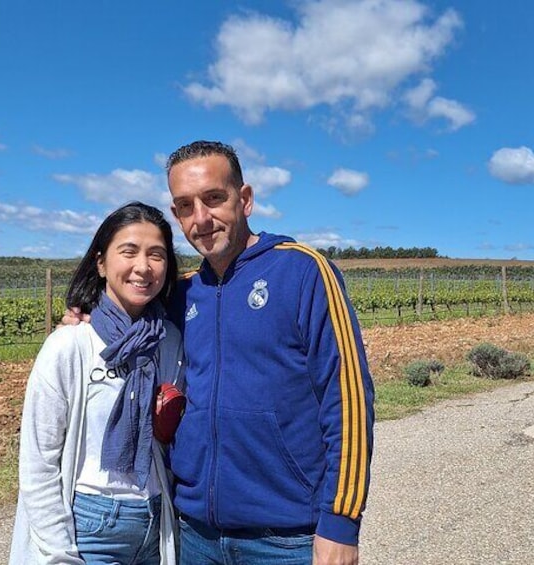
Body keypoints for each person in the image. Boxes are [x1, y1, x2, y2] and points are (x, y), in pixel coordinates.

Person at [65, 140, 374, 565]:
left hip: (285, 540)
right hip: (195, 534)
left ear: (244, 199)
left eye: (214, 198)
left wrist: (340, 521)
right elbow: (125, 310)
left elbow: (349, 400)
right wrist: (83, 314)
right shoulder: (183, 293)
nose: (202, 218)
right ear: (176, 215)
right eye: (186, 206)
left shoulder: (303, 271)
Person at [10, 202, 184, 565]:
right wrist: (59, 552)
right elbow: (38, 462)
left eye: (157, 255)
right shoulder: (70, 345)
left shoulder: (169, 341)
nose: (143, 266)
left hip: (155, 524)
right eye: (129, 251)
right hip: (90, 528)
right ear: (101, 263)